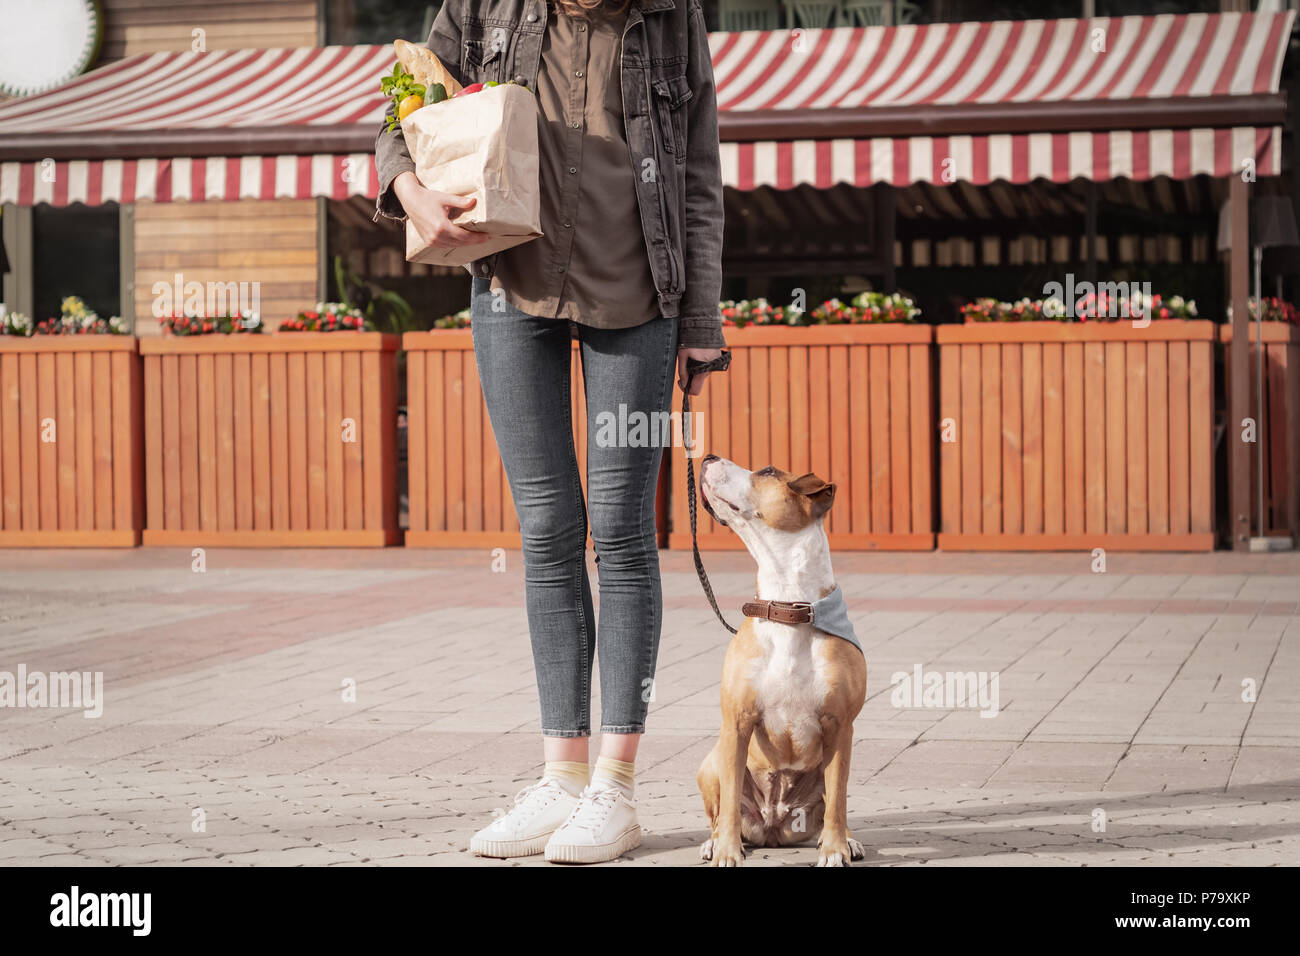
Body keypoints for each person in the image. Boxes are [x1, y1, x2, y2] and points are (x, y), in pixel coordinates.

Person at [374, 0, 726, 864]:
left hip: (638, 300)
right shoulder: (484, 5)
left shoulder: (670, 19)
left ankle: (615, 789)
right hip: (508, 291)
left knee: (622, 536)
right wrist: (414, 197)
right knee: (546, 530)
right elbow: (399, 109)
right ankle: (561, 778)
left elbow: (699, 179)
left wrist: (702, 322)